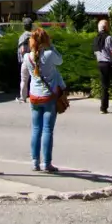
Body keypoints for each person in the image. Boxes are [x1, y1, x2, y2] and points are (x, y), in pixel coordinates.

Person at [20, 28, 65, 173]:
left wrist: (23, 95)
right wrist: (51, 46)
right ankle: (46, 163)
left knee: (35, 129)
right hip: (48, 96)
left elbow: (24, 78)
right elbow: (61, 60)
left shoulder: (27, 57)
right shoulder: (50, 54)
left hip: (34, 96)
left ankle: (34, 162)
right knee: (47, 130)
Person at [16, 18, 34, 103]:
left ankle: (23, 97)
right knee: (35, 78)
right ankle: (35, 96)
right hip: (34, 59)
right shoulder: (34, 35)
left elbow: (22, 50)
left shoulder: (23, 36)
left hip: (26, 60)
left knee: (24, 79)